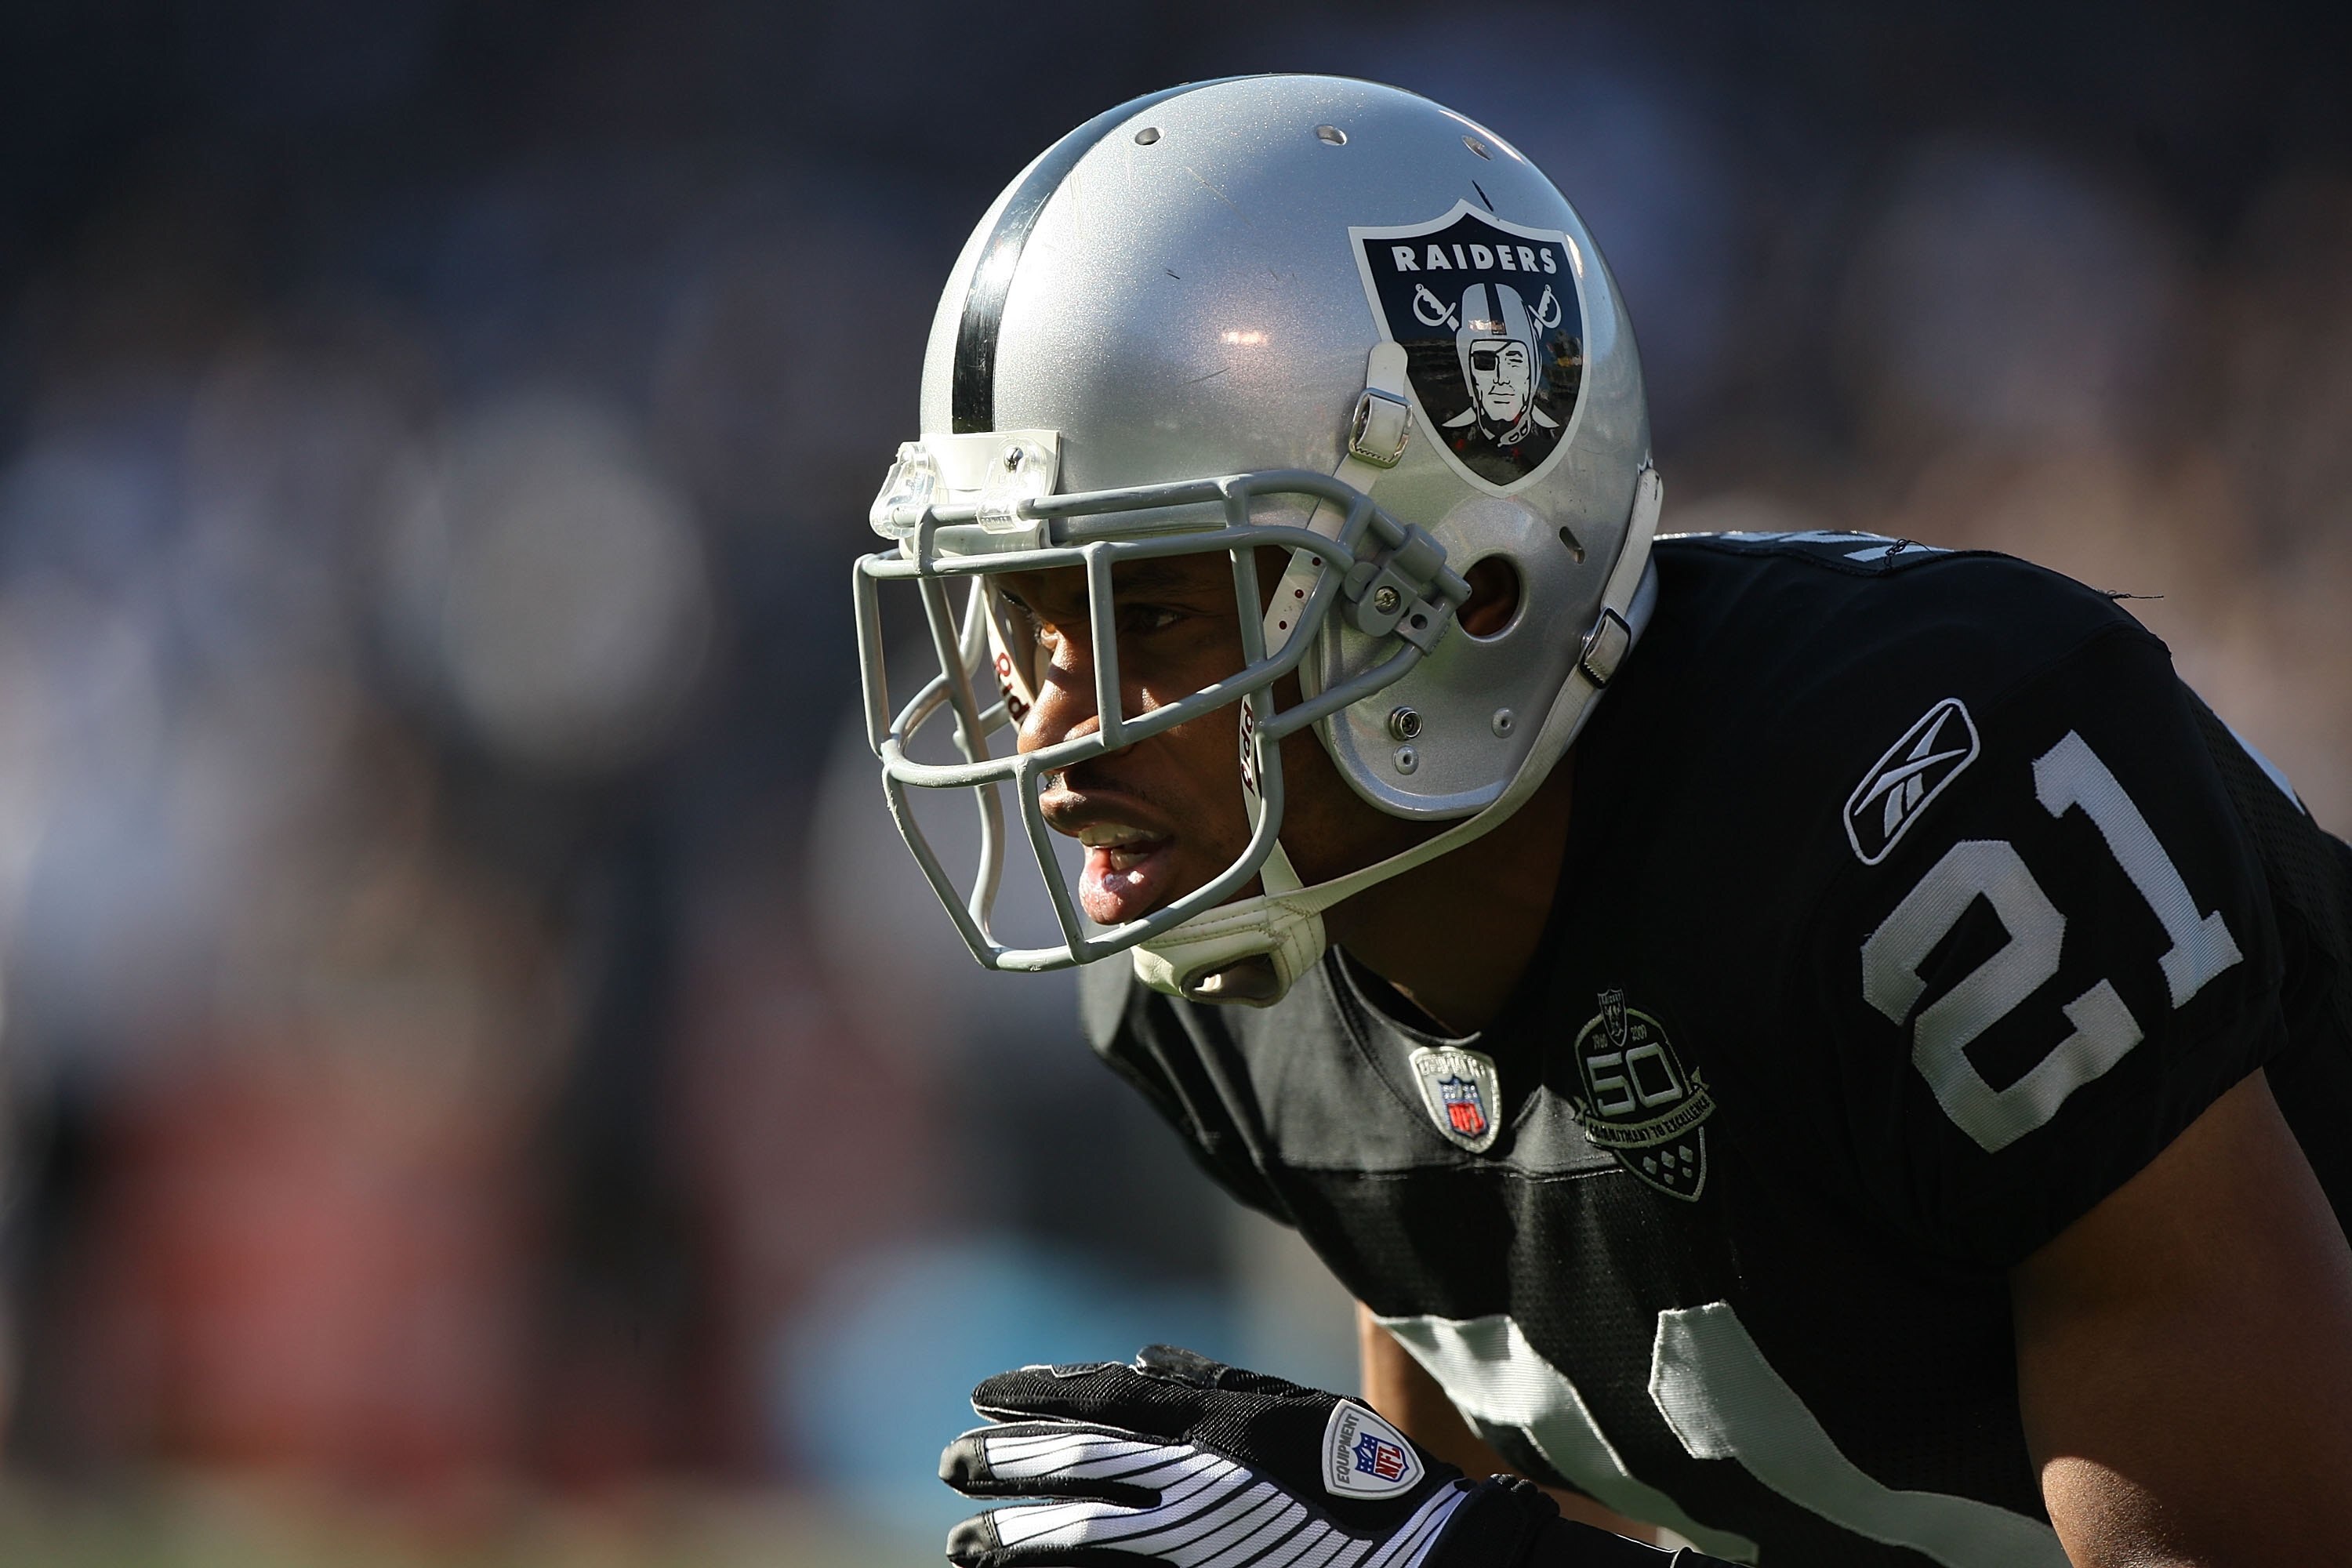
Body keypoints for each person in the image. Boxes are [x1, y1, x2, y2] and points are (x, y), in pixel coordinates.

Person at [851, 75, 2352, 1567]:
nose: (1055, 735)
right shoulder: (1248, 960)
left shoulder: (1917, 812)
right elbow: (1476, 1507)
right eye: (1025, 622)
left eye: (1157, 616)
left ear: (1473, 594)